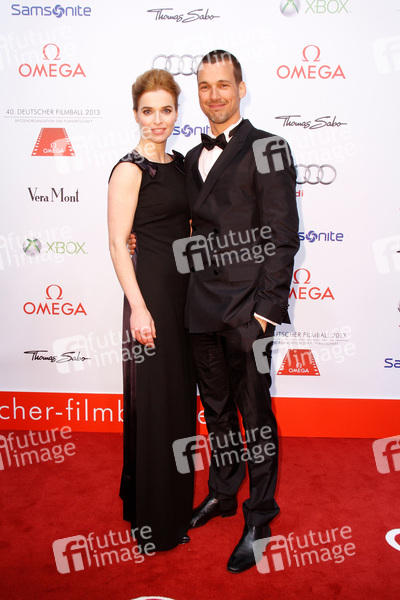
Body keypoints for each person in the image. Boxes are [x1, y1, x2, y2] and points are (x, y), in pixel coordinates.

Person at [183, 50, 299, 573]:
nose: (214, 96)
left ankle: (260, 517)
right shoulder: (191, 157)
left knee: (255, 416)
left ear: (241, 88)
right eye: (205, 86)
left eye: (223, 85)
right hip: (200, 306)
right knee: (217, 410)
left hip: (248, 309)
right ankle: (224, 493)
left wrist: (267, 312)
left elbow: (282, 234)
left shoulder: (269, 147)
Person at [108, 69, 196, 552]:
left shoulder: (181, 165)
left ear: (177, 112)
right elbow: (117, 244)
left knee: (178, 405)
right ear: (135, 114)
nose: (158, 120)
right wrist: (138, 309)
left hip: (186, 298)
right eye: (148, 111)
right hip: (151, 298)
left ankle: (167, 506)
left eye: (166, 110)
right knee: (157, 406)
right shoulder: (129, 169)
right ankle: (155, 523)